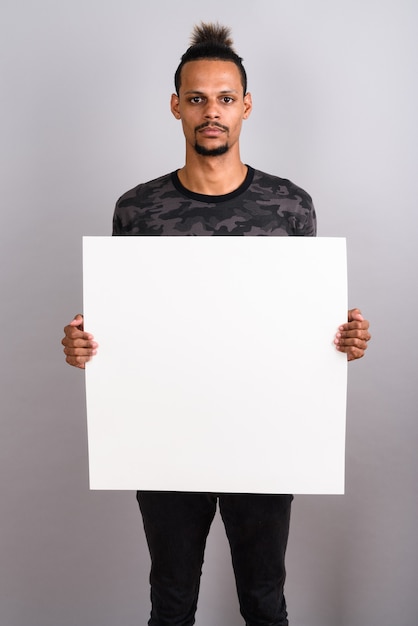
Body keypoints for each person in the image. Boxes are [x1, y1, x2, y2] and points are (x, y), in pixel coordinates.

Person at [62, 23, 371, 626]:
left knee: (264, 602)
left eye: (225, 98)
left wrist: (342, 343)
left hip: (265, 435)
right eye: (197, 98)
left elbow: (303, 326)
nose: (212, 112)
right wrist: (83, 343)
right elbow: (122, 328)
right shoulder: (137, 209)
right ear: (175, 105)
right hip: (166, 436)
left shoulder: (291, 206)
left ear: (246, 107)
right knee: (172, 605)